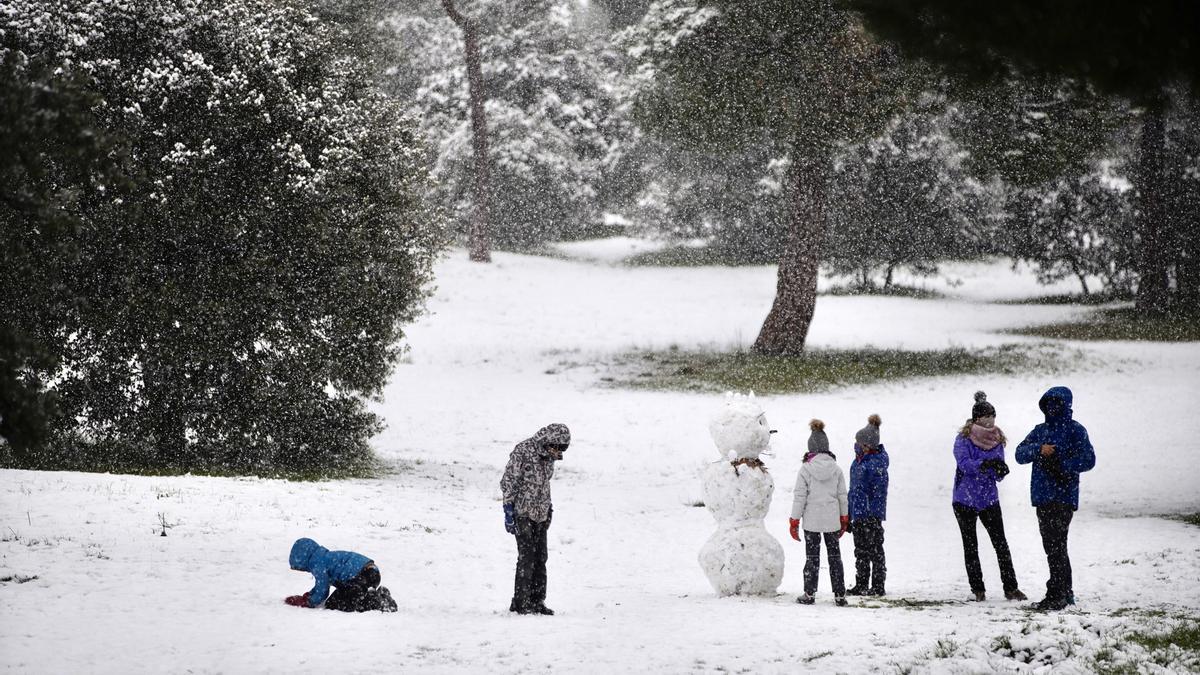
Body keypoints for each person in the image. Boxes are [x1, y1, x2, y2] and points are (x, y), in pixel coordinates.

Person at [1015, 386, 1096, 611]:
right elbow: (1019, 454)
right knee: (1055, 546)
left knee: (1055, 545)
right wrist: (1039, 450)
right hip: (1042, 497)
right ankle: (1065, 592)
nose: (1051, 408)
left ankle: (1057, 593)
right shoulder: (1039, 431)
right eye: (1048, 404)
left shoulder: (1076, 430)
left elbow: (1089, 459)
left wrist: (1064, 465)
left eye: (1056, 404)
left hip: (1063, 497)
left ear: (1065, 405)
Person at [951, 392, 1027, 602]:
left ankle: (1011, 587)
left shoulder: (997, 439)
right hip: (964, 499)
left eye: (992, 416)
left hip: (988, 499)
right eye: (986, 416)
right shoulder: (963, 439)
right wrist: (984, 464)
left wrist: (999, 470)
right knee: (971, 545)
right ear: (976, 418)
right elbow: (964, 464)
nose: (989, 420)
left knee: (1000, 543)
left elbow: (997, 474)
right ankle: (978, 589)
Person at [500, 423, 571, 615]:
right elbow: (508, 481)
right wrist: (508, 508)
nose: (557, 452)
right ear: (547, 440)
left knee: (541, 557)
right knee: (527, 557)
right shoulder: (523, 450)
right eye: (556, 447)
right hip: (522, 513)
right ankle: (521, 603)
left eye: (561, 449)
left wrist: (549, 509)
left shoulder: (549, 456)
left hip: (542, 513)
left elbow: (543, 484)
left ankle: (537, 601)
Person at [789, 419, 849, 606]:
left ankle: (809, 593)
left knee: (812, 558)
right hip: (832, 520)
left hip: (812, 522)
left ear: (810, 449)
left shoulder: (805, 469)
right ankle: (839, 594)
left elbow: (800, 497)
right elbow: (842, 496)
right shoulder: (836, 469)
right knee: (835, 557)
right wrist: (844, 517)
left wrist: (794, 520)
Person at [284, 537, 397, 612]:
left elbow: (322, 589)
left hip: (362, 576)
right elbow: (321, 585)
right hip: (371, 573)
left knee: (338, 603)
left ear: (303, 560)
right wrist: (310, 594)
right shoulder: (324, 557)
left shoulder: (318, 564)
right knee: (338, 598)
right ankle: (376, 593)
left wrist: (308, 601)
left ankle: (379, 602)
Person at [847, 414, 888, 597]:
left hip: (871, 513)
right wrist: (849, 512)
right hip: (858, 513)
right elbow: (852, 491)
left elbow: (876, 490)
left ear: (867, 445)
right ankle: (861, 583)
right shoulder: (857, 463)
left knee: (875, 550)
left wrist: (871, 510)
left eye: (859, 442)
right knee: (860, 551)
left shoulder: (876, 464)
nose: (856, 445)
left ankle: (878, 585)